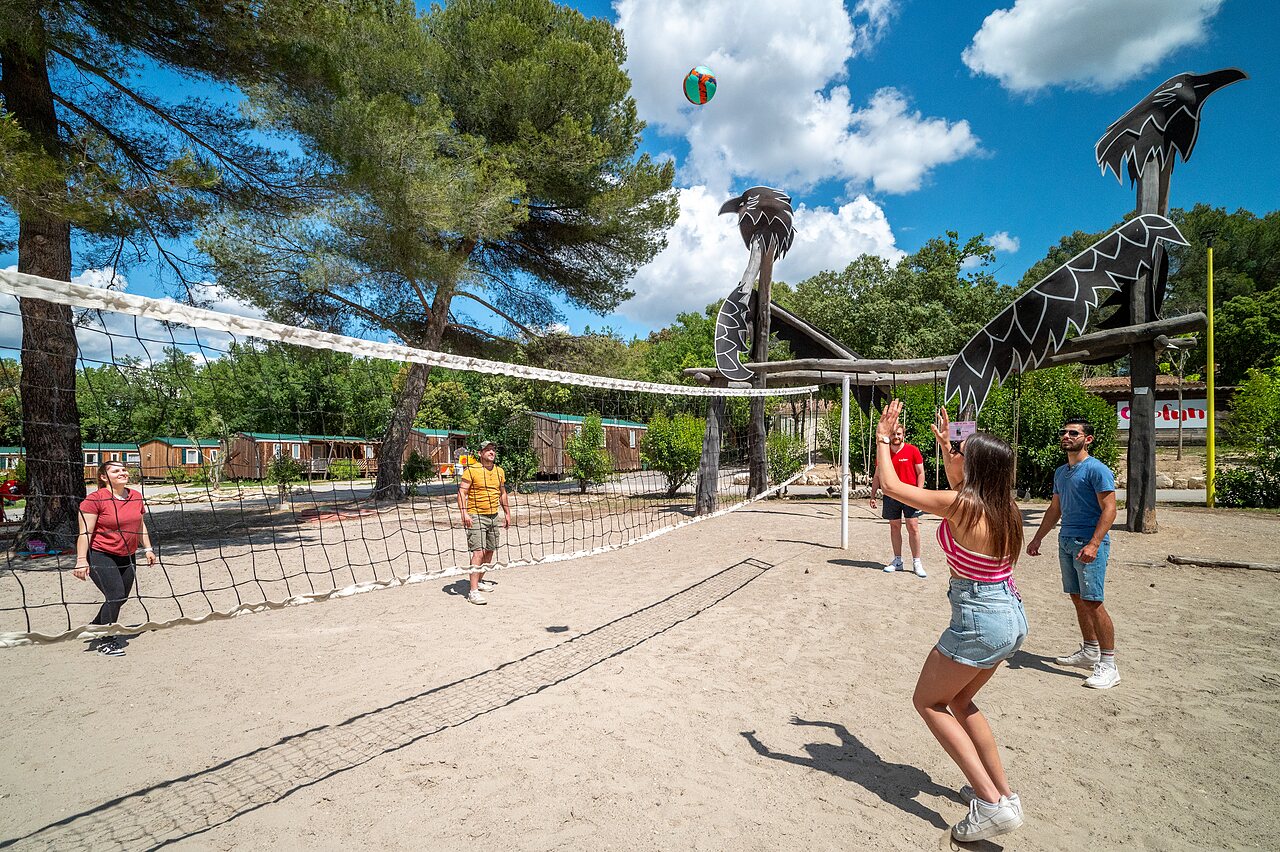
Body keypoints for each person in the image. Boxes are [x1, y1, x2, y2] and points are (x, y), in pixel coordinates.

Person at [875, 400, 1027, 843]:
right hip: (1011, 615)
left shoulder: (961, 507)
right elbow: (960, 479)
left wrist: (884, 437)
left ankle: (991, 803)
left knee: (928, 702)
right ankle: (1003, 793)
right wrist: (947, 445)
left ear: (978, 468)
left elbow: (890, 484)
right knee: (961, 703)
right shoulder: (1005, 507)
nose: (957, 457)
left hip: (981, 619)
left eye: (965, 452)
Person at [1026, 417, 1120, 689]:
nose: (1066, 436)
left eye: (1073, 433)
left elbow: (1110, 509)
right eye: (1064, 432)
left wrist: (1094, 543)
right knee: (1077, 598)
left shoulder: (1096, 469)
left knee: (1093, 601)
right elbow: (1055, 509)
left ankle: (1109, 664)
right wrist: (1037, 538)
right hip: (1066, 539)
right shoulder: (1061, 472)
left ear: (1087, 439)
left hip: (1088, 542)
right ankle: (1090, 651)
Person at [72, 461, 156, 657]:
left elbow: (140, 524)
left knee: (121, 597)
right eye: (116, 470)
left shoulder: (135, 496)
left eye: (124, 469)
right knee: (116, 595)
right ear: (103, 477)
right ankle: (106, 640)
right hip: (100, 554)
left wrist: (148, 549)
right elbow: (85, 533)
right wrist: (81, 560)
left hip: (127, 554)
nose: (122, 473)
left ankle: (96, 625)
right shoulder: (94, 500)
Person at [869, 422, 927, 577]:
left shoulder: (912, 450)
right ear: (890, 436)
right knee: (894, 527)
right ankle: (898, 560)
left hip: (910, 494)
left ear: (903, 435)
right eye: (893, 434)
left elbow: (920, 473)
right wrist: (873, 495)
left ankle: (916, 561)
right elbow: (877, 476)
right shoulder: (884, 453)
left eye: (899, 434)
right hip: (891, 495)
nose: (896, 437)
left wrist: (919, 493)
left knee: (913, 527)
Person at [456, 440, 511, 606]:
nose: (491, 452)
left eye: (493, 449)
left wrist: (507, 513)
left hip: (494, 515)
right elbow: (462, 492)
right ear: (480, 453)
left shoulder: (499, 471)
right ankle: (473, 592)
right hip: (476, 515)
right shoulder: (472, 470)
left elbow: (502, 493)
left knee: (490, 551)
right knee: (478, 552)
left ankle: (479, 581)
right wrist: (464, 513)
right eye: (487, 450)